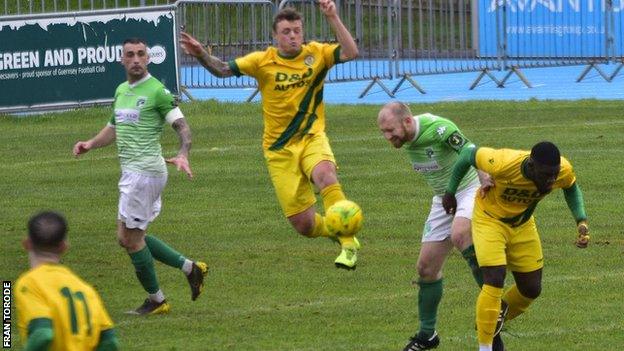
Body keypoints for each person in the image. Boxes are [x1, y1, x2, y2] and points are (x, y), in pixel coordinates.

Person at [179, 1, 362, 269]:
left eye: (297, 31)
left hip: (312, 137)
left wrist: (332, 16)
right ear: (275, 36)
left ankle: (348, 244)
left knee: (325, 174)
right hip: (278, 149)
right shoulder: (261, 61)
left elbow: (351, 52)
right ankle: (336, 231)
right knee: (303, 224)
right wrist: (200, 54)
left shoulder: (317, 54)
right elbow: (222, 70)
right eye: (286, 32)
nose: (292, 36)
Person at [72, 38, 208, 315]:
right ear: (122, 60)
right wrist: (90, 143)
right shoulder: (122, 90)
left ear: (148, 59)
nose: (135, 59)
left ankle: (158, 301)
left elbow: (183, 127)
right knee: (131, 236)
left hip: (144, 175)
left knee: (130, 240)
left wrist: (183, 152)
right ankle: (191, 268)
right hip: (134, 174)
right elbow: (113, 127)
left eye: (141, 54)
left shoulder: (157, 91)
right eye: (130, 54)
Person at [442, 141, 590, 351]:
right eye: (546, 175)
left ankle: (496, 311)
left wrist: (581, 220)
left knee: (531, 288)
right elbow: (468, 154)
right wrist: (450, 192)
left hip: (522, 225)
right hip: (490, 220)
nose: (551, 181)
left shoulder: (561, 170)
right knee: (494, 278)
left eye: (554, 175)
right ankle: (486, 347)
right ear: (531, 166)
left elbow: (571, 187)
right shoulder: (502, 162)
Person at [377, 102, 493, 350]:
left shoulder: (439, 128)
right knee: (426, 268)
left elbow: (471, 150)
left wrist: (484, 178)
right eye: (383, 132)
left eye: (390, 130)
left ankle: (495, 300)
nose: (388, 138)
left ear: (407, 122)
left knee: (461, 234)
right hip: (443, 198)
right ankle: (427, 335)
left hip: (469, 189)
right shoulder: (407, 138)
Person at [15, 211, 120, 350]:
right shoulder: (85, 288)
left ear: (27, 243)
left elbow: (43, 334)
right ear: (64, 247)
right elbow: (110, 342)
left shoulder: (29, 284)